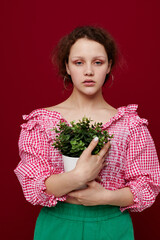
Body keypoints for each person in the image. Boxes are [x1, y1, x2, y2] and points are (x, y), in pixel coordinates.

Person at [14, 26, 160, 240]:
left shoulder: (130, 125)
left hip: (112, 225)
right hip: (58, 224)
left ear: (109, 65)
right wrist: (77, 177)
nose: (89, 71)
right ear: (67, 66)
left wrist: (106, 196)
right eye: (79, 62)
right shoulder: (41, 122)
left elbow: (147, 186)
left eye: (98, 62)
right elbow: (33, 185)